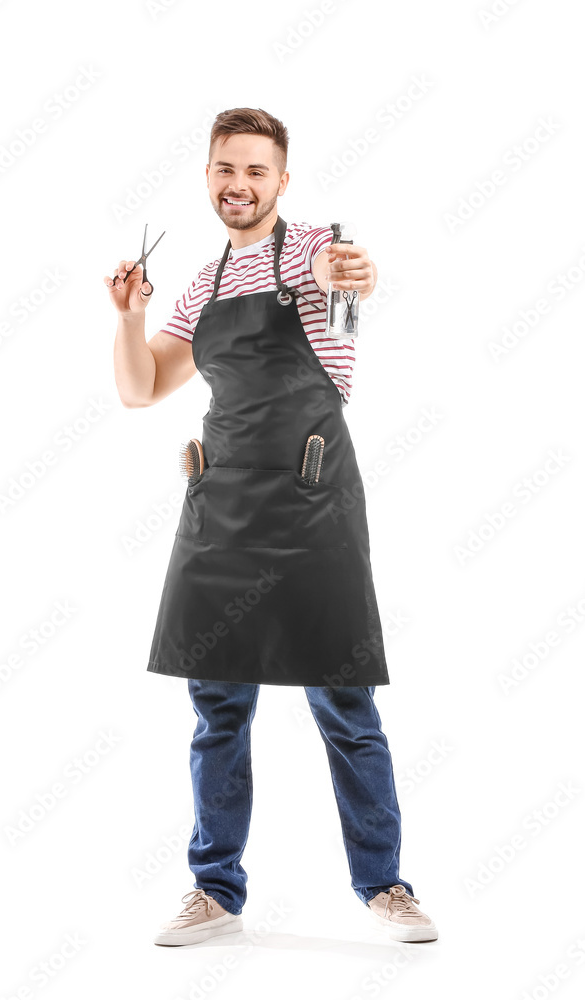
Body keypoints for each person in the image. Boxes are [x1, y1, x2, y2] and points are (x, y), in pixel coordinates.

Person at [106, 107, 437, 946]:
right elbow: (142, 388)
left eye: (257, 171)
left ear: (281, 181)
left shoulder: (315, 246)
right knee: (216, 708)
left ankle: (385, 885)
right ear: (209, 176)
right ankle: (214, 890)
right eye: (226, 169)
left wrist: (355, 270)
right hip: (221, 515)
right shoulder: (201, 284)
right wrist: (127, 316)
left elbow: (348, 270)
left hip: (314, 501)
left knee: (346, 702)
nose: (239, 185)